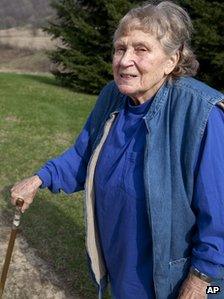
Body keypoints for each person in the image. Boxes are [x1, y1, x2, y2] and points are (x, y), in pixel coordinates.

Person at [10, 1, 224, 298]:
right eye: (120, 48)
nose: (124, 60)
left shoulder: (201, 114)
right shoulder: (112, 96)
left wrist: (201, 279)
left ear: (171, 60)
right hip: (123, 265)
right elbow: (83, 156)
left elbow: (218, 213)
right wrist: (40, 179)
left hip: (172, 275)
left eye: (141, 49)